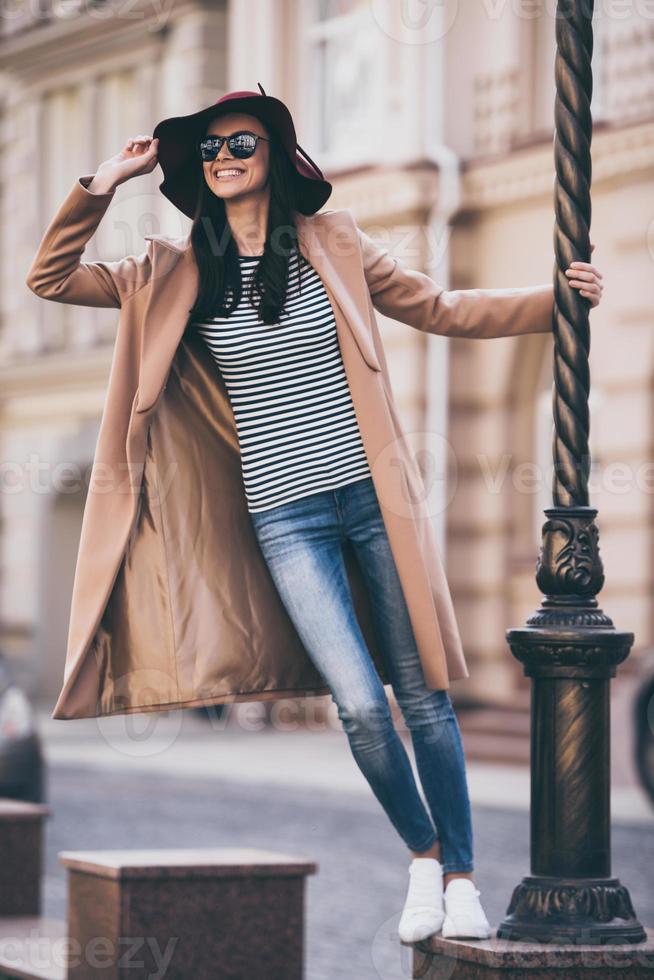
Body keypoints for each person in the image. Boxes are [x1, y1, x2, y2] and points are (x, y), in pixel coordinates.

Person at [35, 85, 604, 944]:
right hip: (284, 519)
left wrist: (557, 301)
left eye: (241, 144)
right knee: (361, 706)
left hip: (373, 504)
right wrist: (104, 182)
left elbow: (440, 309)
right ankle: (421, 857)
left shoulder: (334, 245)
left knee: (422, 696)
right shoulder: (170, 272)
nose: (224, 159)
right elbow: (50, 277)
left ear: (275, 157)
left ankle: (460, 877)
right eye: (211, 150)